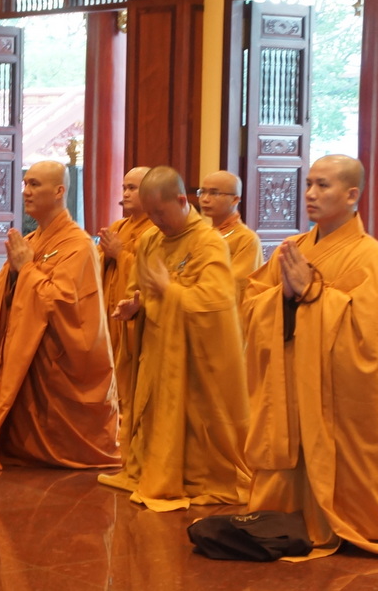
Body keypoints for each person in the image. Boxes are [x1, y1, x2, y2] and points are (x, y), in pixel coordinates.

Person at [240, 155, 378, 560]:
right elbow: (251, 306)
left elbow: (370, 337)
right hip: (293, 383)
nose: (310, 193)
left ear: (351, 195)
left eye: (322, 185)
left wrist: (312, 294)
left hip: (337, 396)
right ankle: (286, 514)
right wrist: (284, 296)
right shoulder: (294, 249)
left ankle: (344, 514)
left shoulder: (370, 256)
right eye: (308, 183)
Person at [99, 167, 248, 510]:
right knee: (153, 413)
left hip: (194, 356)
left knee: (192, 421)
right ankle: (154, 469)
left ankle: (194, 476)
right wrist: (133, 305)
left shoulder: (208, 242)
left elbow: (218, 301)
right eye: (150, 214)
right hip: (156, 347)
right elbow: (139, 289)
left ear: (182, 201)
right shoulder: (151, 239)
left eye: (161, 213)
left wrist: (171, 291)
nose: (156, 221)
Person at [0, 161, 118, 469]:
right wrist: (14, 274)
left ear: (59, 191)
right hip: (29, 361)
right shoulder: (30, 242)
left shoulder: (79, 245)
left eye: (35, 184)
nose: (26, 191)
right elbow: (0, 291)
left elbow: (62, 304)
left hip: (59, 364)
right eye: (25, 183)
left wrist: (26, 269)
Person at [99, 166, 154, 419]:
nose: (126, 193)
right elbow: (97, 262)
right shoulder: (118, 227)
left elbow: (151, 273)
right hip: (109, 312)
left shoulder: (155, 230)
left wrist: (120, 254)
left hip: (135, 315)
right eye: (124, 188)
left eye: (132, 188)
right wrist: (105, 256)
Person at [197, 170, 262, 302]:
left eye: (214, 193)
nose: (205, 199)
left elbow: (234, 285)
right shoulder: (202, 233)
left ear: (235, 199)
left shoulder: (246, 239)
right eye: (202, 192)